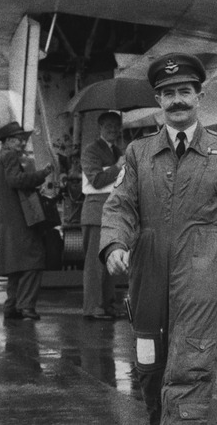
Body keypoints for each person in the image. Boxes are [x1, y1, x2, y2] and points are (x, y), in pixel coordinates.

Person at [101, 53, 217, 425]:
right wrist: (114, 244)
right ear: (159, 101)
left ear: (199, 97)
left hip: (200, 273)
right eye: (168, 93)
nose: (177, 100)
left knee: (190, 366)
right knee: (149, 365)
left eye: (185, 91)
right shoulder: (139, 152)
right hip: (147, 273)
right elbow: (121, 205)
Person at [0, 121, 56, 321]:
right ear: (8, 141)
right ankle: (26, 307)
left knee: (15, 266)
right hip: (20, 222)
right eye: (19, 140)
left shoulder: (0, 158)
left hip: (9, 222)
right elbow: (15, 180)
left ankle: (12, 306)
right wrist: (42, 175)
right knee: (33, 262)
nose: (22, 144)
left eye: (23, 140)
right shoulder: (10, 156)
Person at [80, 110, 125, 320]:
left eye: (116, 127)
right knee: (95, 265)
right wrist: (118, 167)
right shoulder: (91, 151)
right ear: (100, 128)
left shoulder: (117, 150)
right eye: (108, 127)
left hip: (113, 214)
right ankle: (93, 306)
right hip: (96, 212)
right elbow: (96, 180)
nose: (113, 131)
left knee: (111, 263)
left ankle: (108, 303)